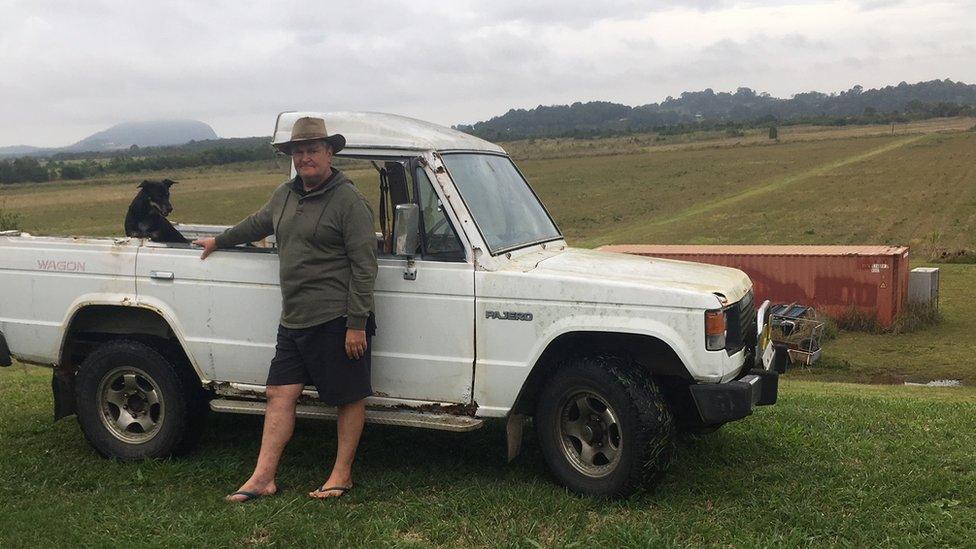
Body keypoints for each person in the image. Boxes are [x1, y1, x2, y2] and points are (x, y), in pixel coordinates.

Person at [192, 116, 378, 502]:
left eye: (313, 149)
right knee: (279, 392)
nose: (305, 157)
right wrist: (219, 240)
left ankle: (341, 475)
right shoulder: (285, 195)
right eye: (299, 151)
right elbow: (257, 224)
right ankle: (263, 477)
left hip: (338, 318)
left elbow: (364, 266)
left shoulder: (349, 201)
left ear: (329, 153)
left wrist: (356, 323)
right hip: (293, 318)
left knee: (348, 397)